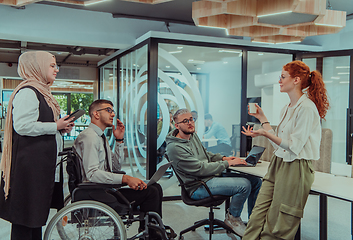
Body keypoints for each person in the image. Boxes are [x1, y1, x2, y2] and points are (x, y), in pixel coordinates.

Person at [241, 60, 329, 240]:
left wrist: (265, 134)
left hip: (296, 168)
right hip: (278, 163)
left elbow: (294, 146)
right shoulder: (286, 108)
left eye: (282, 77)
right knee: (257, 216)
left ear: (296, 80)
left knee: (278, 223)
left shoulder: (306, 108)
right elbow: (280, 146)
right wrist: (263, 119)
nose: (279, 81)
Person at [0, 51, 75, 240]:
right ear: (37, 67)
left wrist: (60, 129)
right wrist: (55, 126)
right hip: (29, 169)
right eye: (51, 65)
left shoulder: (41, 92)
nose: (56, 69)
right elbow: (23, 126)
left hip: (37, 167)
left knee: (34, 216)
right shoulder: (28, 92)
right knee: (26, 217)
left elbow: (38, 126)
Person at [166, 108, 262, 237]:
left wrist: (223, 158)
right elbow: (201, 168)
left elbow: (206, 154)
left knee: (255, 181)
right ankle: (233, 218)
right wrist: (227, 164)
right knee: (243, 185)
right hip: (198, 186)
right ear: (177, 125)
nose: (190, 123)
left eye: (191, 119)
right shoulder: (175, 147)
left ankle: (253, 223)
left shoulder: (192, 136)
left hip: (210, 177)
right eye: (185, 121)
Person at [73, 99, 164, 233]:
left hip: (105, 188)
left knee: (155, 187)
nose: (113, 114)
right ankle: (153, 233)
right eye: (108, 110)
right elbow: (92, 174)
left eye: (113, 111)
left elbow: (114, 167)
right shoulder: (90, 137)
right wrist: (125, 179)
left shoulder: (100, 136)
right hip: (96, 192)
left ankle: (153, 231)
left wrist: (119, 140)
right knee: (152, 192)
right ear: (96, 114)